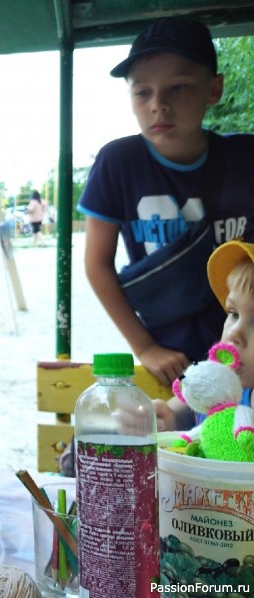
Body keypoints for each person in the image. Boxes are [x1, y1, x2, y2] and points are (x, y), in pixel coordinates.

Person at [77, 16, 254, 388]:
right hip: (170, 358)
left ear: (214, 88)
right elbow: (97, 264)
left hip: (244, 357)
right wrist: (144, 347)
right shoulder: (117, 163)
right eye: (143, 92)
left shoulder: (246, 157)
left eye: (179, 87)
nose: (159, 104)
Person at [153, 240, 254, 432]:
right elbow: (175, 413)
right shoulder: (216, 383)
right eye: (233, 313)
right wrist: (166, 421)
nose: (234, 333)